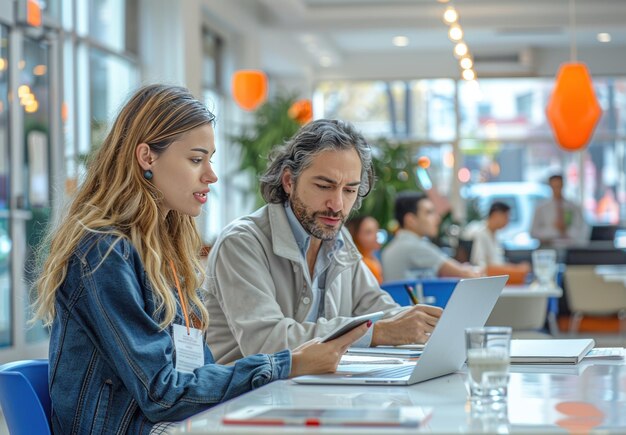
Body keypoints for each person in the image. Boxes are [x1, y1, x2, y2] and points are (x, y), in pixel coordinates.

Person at [33, 85, 370, 434]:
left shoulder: (164, 249)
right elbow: (162, 394)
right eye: (196, 160)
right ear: (147, 157)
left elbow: (192, 374)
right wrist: (288, 364)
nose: (211, 175)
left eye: (210, 159)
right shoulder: (104, 252)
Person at [205, 119, 443, 365]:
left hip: (313, 391)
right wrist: (379, 332)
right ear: (289, 181)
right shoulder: (241, 243)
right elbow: (268, 342)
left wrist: (431, 323)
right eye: (324, 186)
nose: (337, 205)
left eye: (349, 190)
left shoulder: (338, 239)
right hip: (248, 398)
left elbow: (379, 309)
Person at [382, 191, 482, 281]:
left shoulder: (393, 247)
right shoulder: (413, 246)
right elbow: (465, 273)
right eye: (429, 213)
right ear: (410, 220)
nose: (437, 219)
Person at [470, 201, 530, 278]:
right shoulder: (480, 234)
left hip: (498, 275)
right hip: (488, 278)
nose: (507, 222)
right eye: (506, 217)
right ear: (496, 215)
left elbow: (499, 263)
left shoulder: (496, 235)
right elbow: (480, 265)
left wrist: (516, 268)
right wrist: (516, 269)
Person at [530, 174, 589, 245]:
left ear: (563, 185)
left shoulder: (574, 207)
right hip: (549, 247)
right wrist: (555, 231)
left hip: (571, 247)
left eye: (559, 186)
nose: (557, 189)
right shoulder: (541, 208)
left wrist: (565, 231)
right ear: (550, 186)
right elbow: (533, 232)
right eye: (554, 186)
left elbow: (582, 230)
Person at [346, 215, 384, 284]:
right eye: (369, 232)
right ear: (354, 236)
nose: (376, 236)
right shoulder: (359, 264)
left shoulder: (373, 258)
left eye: (377, 230)